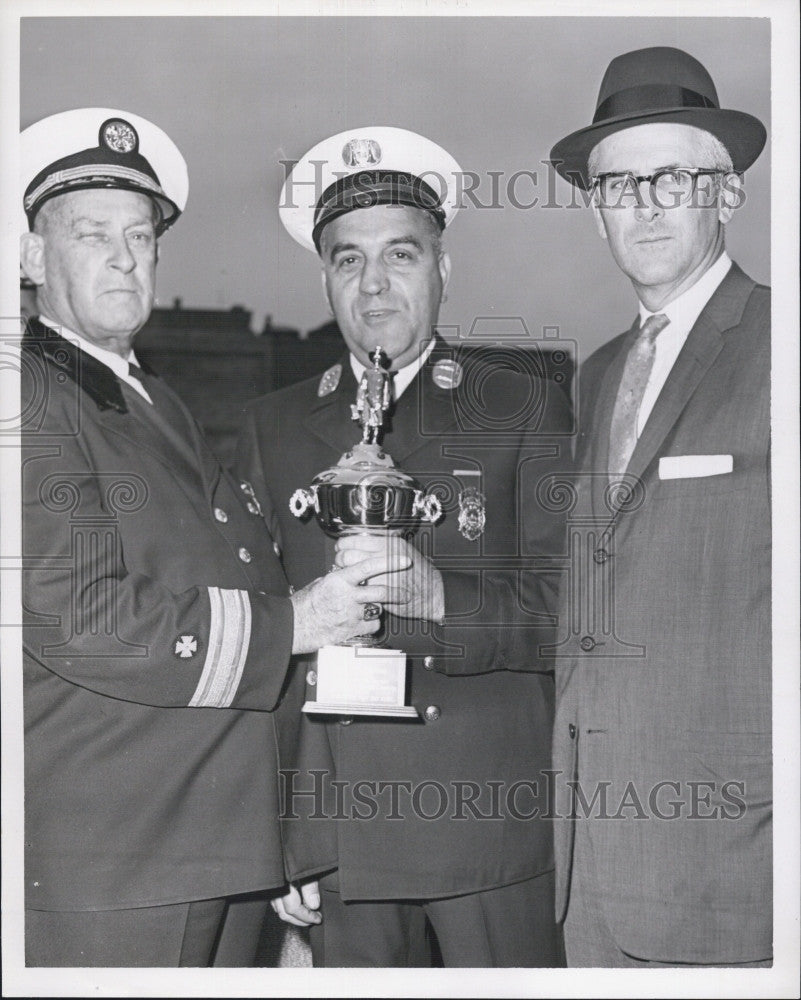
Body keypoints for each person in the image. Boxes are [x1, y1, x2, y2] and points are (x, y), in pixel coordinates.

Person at [19, 108, 408, 967]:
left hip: (211, 843)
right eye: (92, 234)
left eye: (142, 234)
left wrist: (279, 838)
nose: (126, 255)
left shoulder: (148, 397)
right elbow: (85, 618)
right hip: (118, 858)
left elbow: (244, 585)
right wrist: (300, 624)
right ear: (32, 259)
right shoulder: (30, 399)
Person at [236, 126, 573, 967]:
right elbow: (264, 642)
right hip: (337, 843)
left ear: (443, 269)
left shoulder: (525, 406)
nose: (374, 285)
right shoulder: (273, 423)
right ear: (324, 279)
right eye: (348, 260)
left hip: (486, 834)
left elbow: (576, 615)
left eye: (401, 255)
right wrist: (281, 827)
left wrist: (439, 599)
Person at [548, 47, 771, 966]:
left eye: (670, 177)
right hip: (588, 863)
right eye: (615, 185)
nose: (640, 203)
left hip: (734, 862)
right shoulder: (597, 374)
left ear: (725, 194)